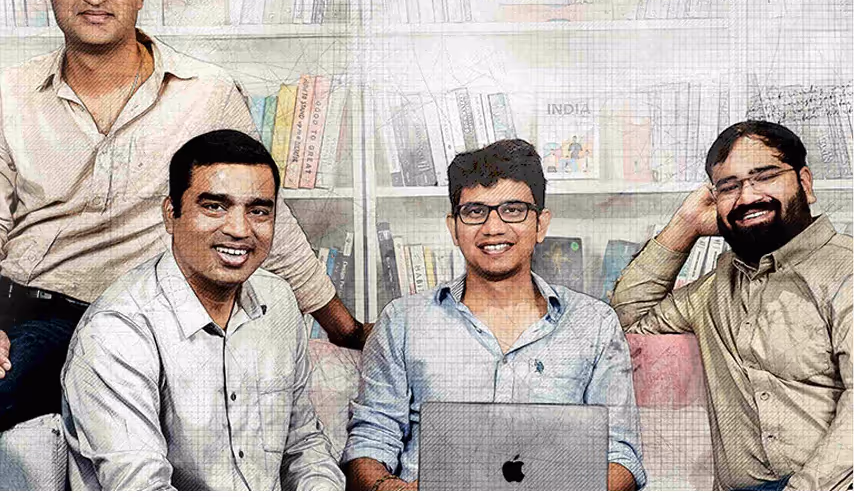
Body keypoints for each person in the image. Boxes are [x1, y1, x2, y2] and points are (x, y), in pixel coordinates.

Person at [0, 0, 367, 432]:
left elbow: (270, 220)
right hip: (38, 315)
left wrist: (344, 328)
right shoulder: (9, 94)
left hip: (158, 317)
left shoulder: (205, 94)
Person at [342, 139, 645, 490]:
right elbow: (370, 442)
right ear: (453, 228)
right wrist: (389, 489)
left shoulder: (594, 324)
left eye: (513, 210)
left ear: (541, 224)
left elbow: (621, 456)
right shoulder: (402, 321)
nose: (493, 228)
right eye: (475, 212)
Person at [61, 130, 345, 490]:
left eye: (258, 211)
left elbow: (304, 447)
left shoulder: (279, 301)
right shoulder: (116, 330)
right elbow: (142, 488)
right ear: (171, 214)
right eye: (214, 206)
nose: (239, 230)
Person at [612, 121, 852, 491]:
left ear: (805, 183)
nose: (747, 196)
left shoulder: (845, 270)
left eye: (765, 176)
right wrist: (686, 226)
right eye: (729, 187)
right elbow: (628, 315)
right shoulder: (714, 288)